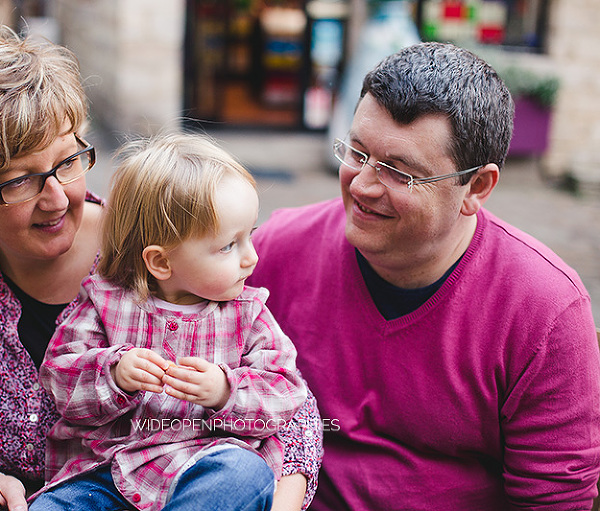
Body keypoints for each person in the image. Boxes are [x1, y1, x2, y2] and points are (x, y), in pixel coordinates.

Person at [0, 29, 322, 511]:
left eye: (68, 160)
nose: (56, 197)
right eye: (19, 180)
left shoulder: (159, 252)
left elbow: (292, 408)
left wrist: (260, 496)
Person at [248, 41, 600, 510]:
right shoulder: (276, 249)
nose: (362, 185)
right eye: (356, 152)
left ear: (476, 187)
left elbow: (553, 500)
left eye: (399, 172)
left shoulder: (543, 309)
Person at [31, 133, 309, 511]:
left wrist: (226, 392)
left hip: (205, 465)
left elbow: (285, 392)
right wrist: (114, 373)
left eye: (250, 237)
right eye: (229, 245)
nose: (251, 258)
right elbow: (60, 382)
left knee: (246, 475)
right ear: (161, 262)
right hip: (108, 474)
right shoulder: (105, 302)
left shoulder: (248, 314)